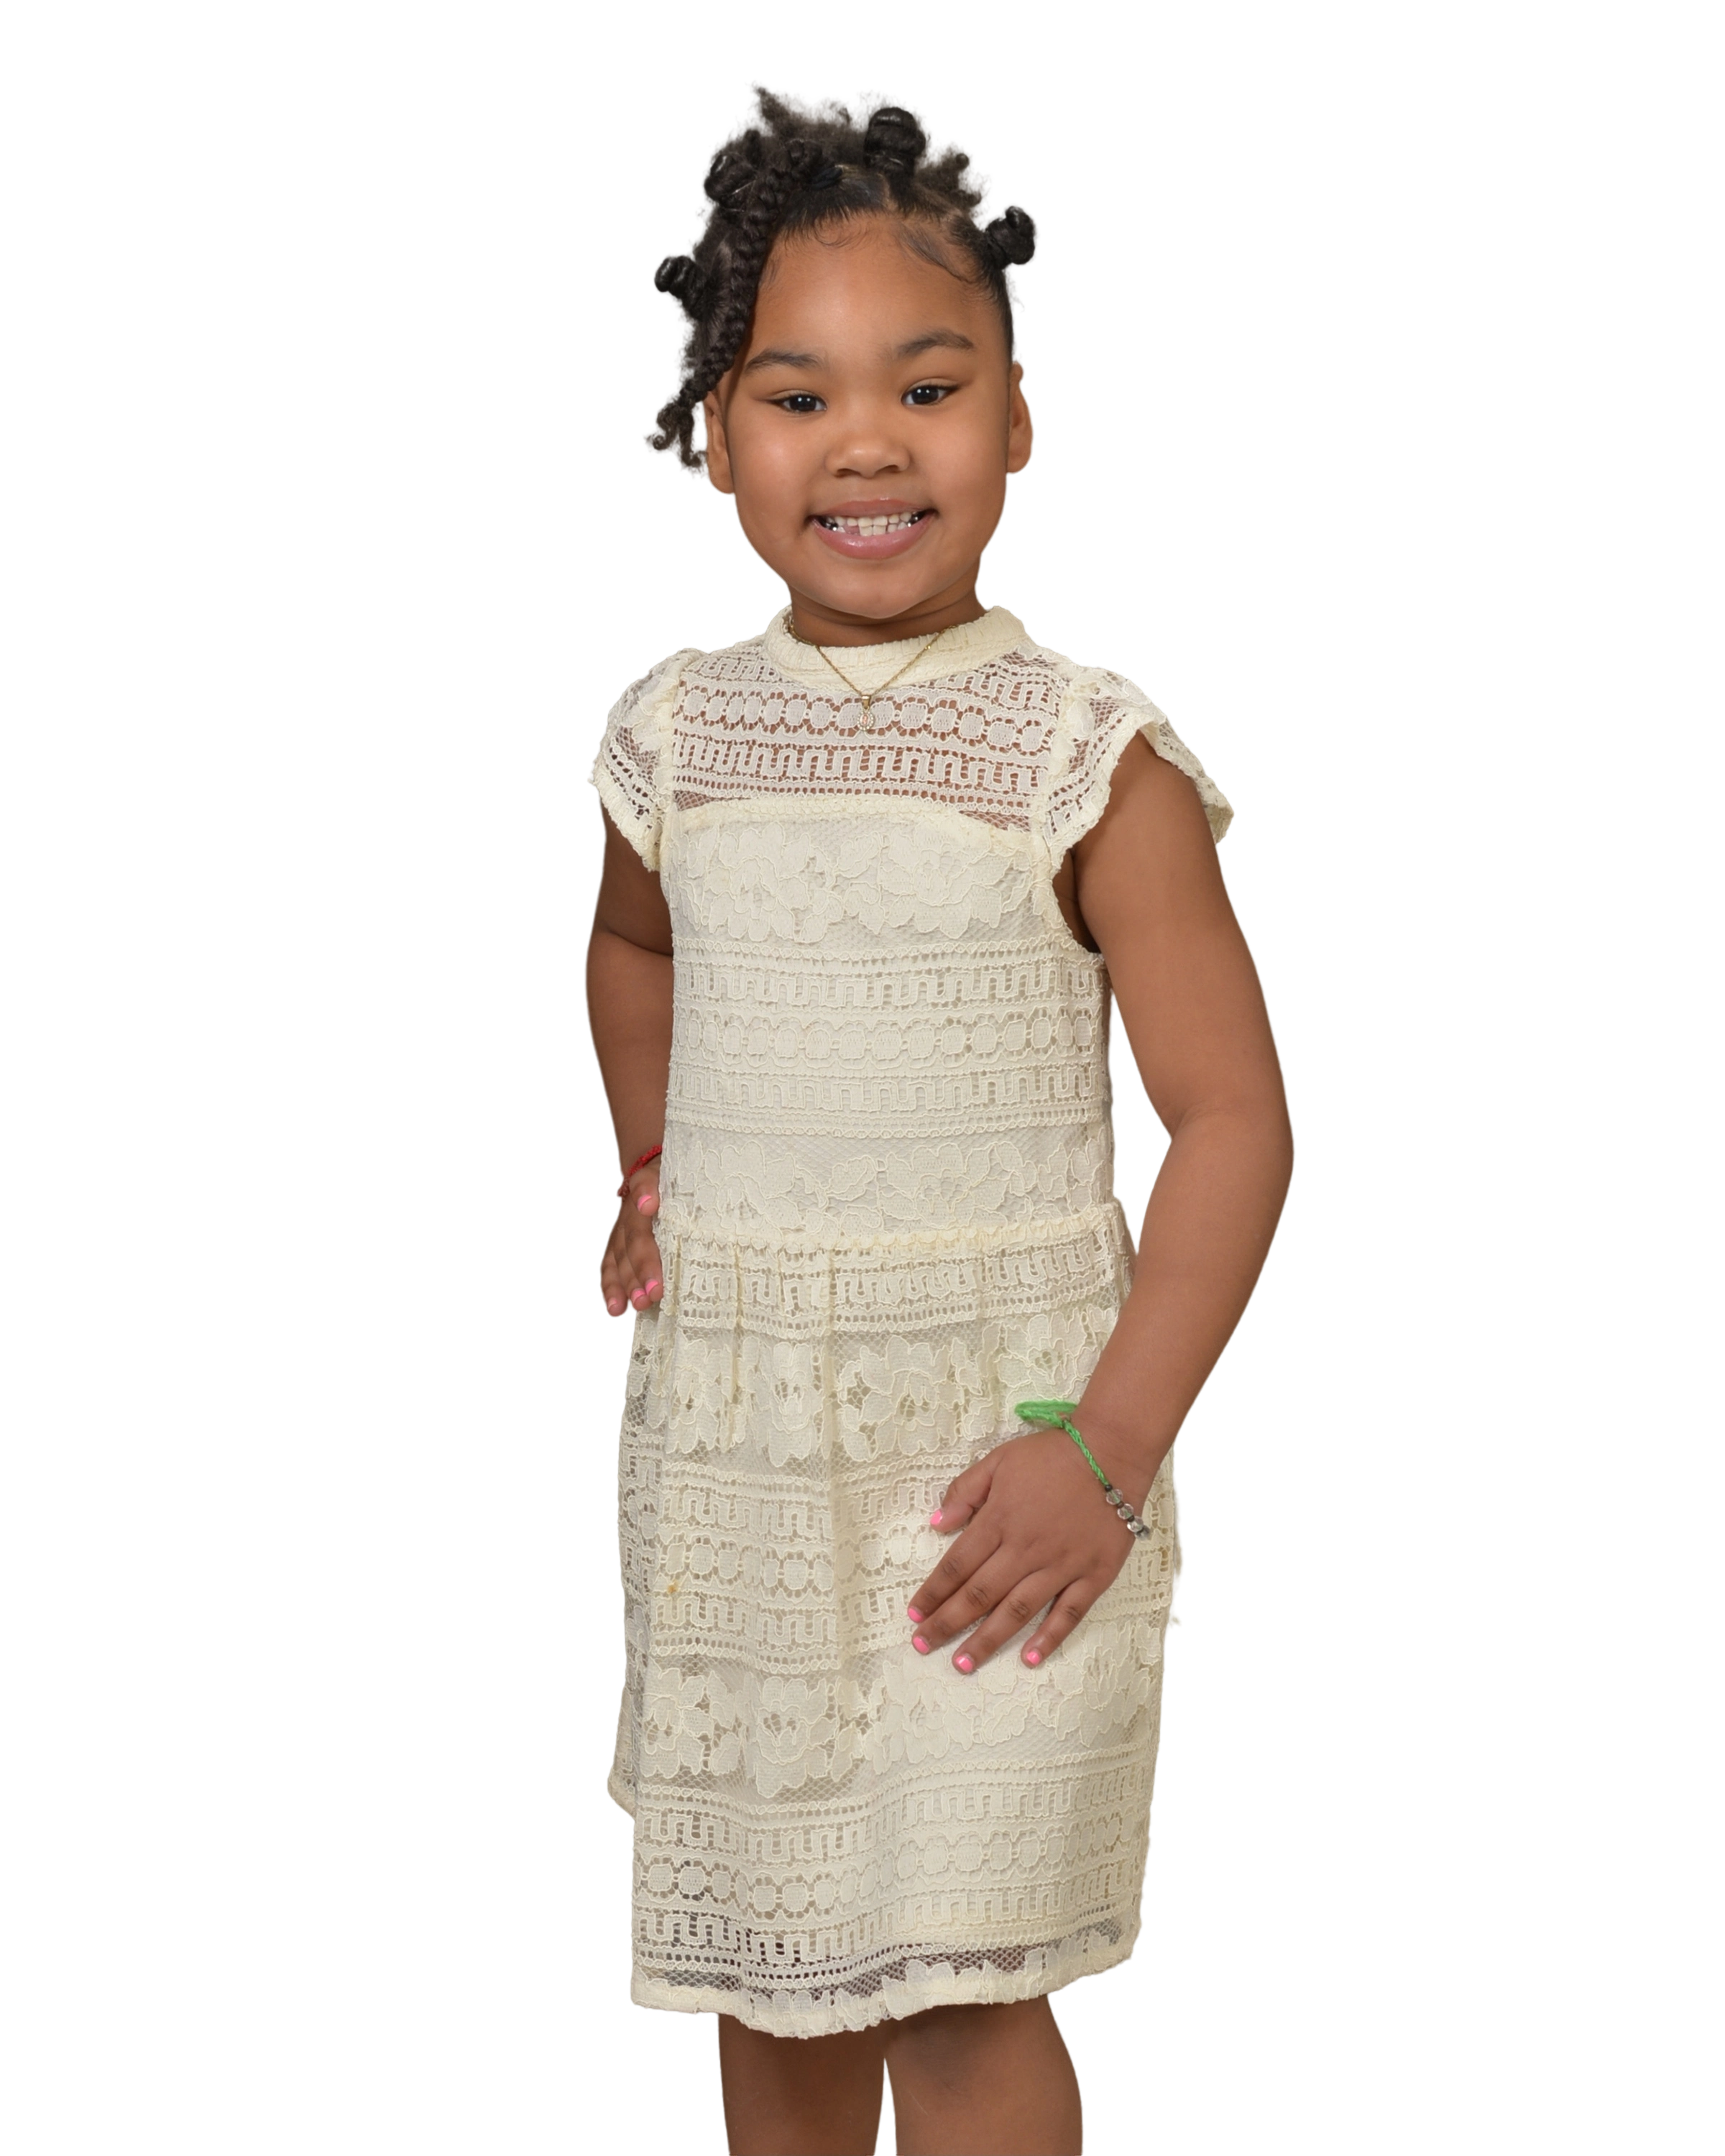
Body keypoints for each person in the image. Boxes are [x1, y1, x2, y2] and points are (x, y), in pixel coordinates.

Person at [582, 78, 1297, 2156]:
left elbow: (1234, 1123)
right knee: (773, 1984)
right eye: (797, 395)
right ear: (715, 435)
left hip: (1012, 1467)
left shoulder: (1086, 757)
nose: (870, 442)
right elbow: (632, 948)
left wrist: (1110, 1448)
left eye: (930, 384)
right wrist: (653, 1153)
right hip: (740, 1467)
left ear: (1022, 419)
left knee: (968, 1994)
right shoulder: (675, 733)